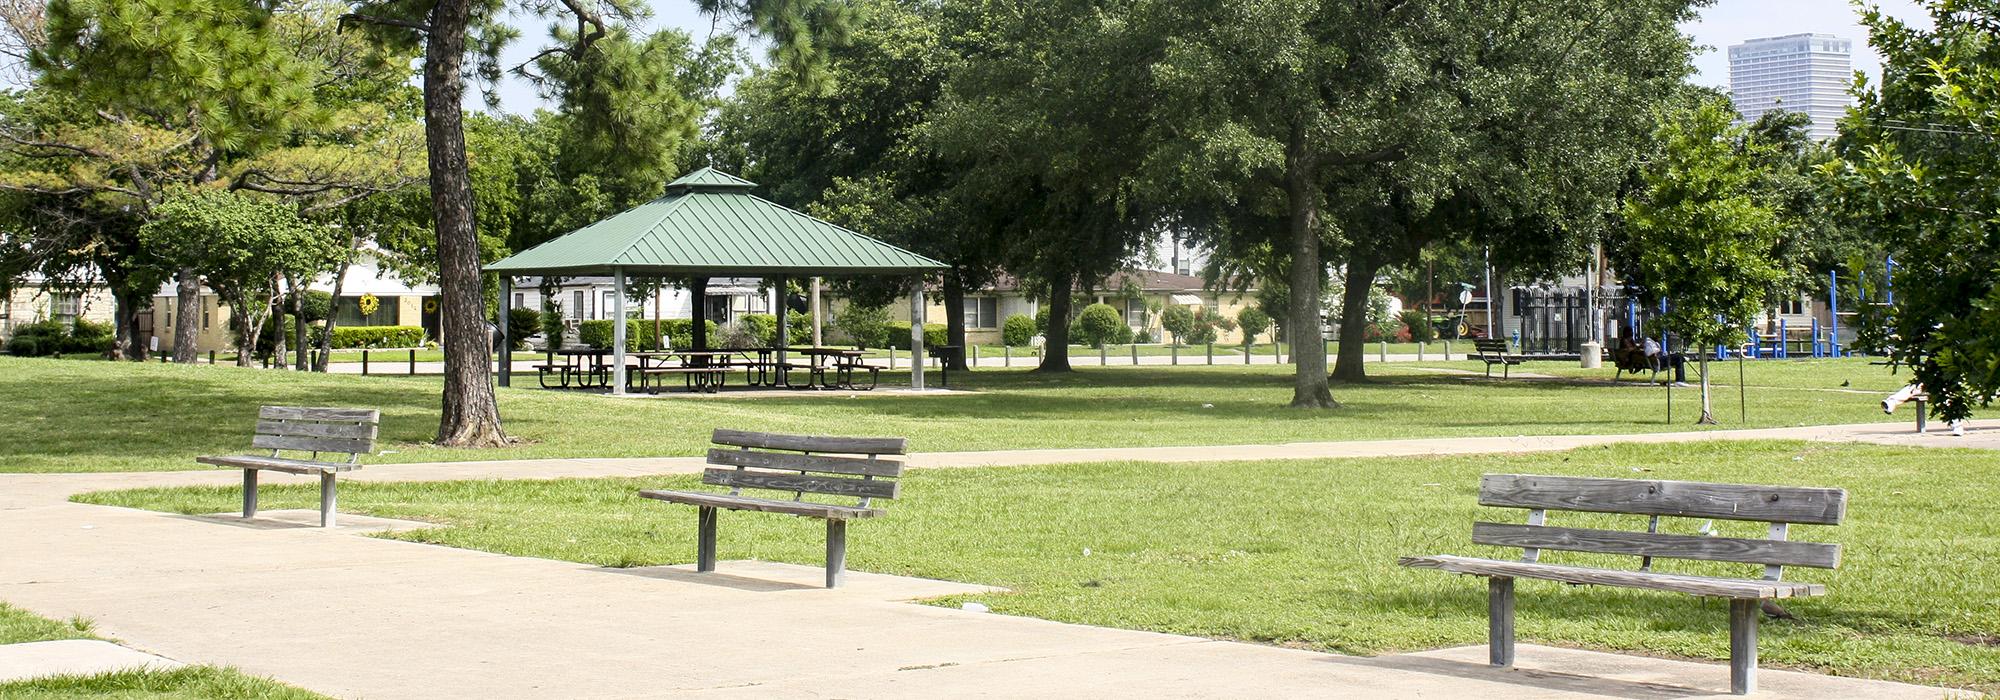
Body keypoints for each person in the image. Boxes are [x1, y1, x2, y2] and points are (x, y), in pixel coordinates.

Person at [1884, 382, 1968, 436]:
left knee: (1948, 395)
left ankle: (1957, 425)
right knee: (1915, 386)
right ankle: (1891, 402)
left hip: (1951, 382)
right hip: (1932, 380)